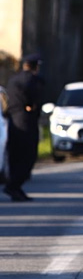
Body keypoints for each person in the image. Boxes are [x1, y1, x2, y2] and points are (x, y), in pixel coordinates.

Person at [4, 53, 45, 202]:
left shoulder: (13, 80)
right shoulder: (33, 81)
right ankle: (14, 186)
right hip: (27, 123)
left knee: (15, 156)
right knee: (28, 157)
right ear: (35, 67)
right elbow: (34, 101)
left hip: (13, 123)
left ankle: (15, 188)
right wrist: (32, 106)